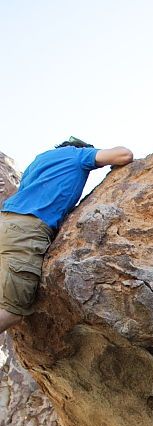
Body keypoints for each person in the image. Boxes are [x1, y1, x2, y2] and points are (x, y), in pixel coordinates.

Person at [0, 137, 133, 334]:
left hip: (6, 223)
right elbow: (123, 155)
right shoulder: (77, 154)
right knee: (11, 311)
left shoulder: (39, 160)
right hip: (26, 231)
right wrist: (92, 156)